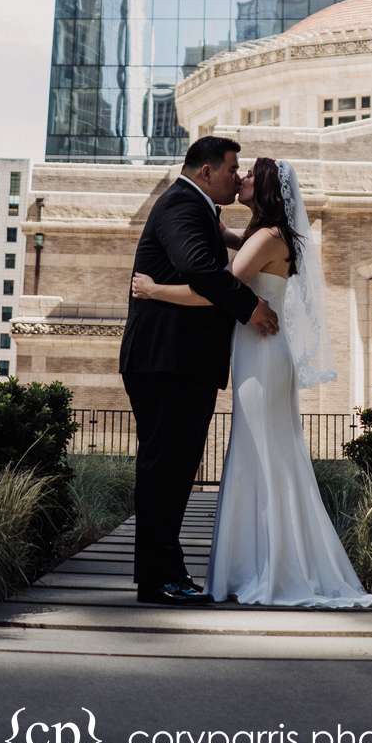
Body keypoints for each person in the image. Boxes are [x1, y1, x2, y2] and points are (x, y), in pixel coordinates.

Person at [132, 155, 372, 610]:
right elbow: (225, 241)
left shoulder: (266, 237)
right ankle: (261, 561)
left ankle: (269, 566)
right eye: (236, 169)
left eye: (249, 175)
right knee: (262, 452)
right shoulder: (266, 234)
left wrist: (155, 290)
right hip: (261, 354)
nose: (240, 177)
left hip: (262, 355)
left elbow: (215, 289)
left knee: (261, 454)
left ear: (263, 189)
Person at [119, 135, 280, 606]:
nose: (237, 176)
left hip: (180, 363)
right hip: (166, 361)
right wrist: (249, 308)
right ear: (206, 171)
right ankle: (158, 579)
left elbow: (215, 251)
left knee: (173, 468)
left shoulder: (200, 209)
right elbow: (201, 269)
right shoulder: (182, 207)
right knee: (164, 470)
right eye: (232, 168)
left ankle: (166, 571)